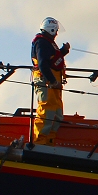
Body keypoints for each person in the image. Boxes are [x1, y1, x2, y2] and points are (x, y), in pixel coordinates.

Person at [31, 17, 71, 146]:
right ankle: (40, 141)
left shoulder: (47, 43)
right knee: (46, 110)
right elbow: (43, 64)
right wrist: (53, 81)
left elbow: (53, 59)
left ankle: (50, 141)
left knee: (56, 113)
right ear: (52, 29)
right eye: (56, 30)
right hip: (47, 82)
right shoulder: (42, 43)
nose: (57, 33)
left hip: (54, 84)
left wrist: (63, 52)